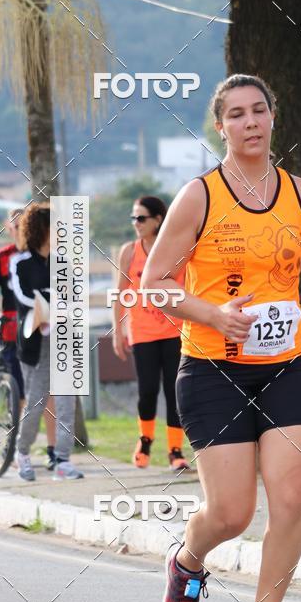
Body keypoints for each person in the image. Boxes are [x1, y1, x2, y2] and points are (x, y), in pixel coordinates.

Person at [141, 74, 301, 602]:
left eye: (259, 110)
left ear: (273, 117)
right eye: (236, 114)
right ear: (221, 127)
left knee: (292, 498)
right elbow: (154, 284)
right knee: (232, 514)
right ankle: (187, 561)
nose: (250, 122)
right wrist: (213, 314)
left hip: (287, 365)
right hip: (213, 369)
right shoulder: (199, 197)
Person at [0, 207, 58, 470]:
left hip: (43, 332)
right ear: (9, 228)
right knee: (18, 393)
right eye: (16, 227)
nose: (21, 231)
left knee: (47, 393)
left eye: (24, 225)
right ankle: (14, 448)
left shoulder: (49, 258)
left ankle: (53, 451)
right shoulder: (4, 258)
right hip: (12, 334)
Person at [113, 196, 190, 472]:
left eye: (141, 218)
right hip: (142, 332)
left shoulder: (174, 249)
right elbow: (121, 294)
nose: (136, 223)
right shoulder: (129, 251)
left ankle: (175, 451)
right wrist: (118, 331)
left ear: (158, 219)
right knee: (147, 391)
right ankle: (145, 441)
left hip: (174, 331)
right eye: (133, 218)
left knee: (173, 391)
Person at [9, 202, 83, 481]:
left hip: (64, 339)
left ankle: (62, 460)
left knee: (66, 402)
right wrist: (52, 302)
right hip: (34, 343)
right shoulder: (20, 263)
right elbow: (24, 297)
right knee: (36, 402)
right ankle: (22, 453)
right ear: (42, 229)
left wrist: (57, 305)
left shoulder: (64, 262)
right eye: (56, 226)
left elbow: (74, 296)